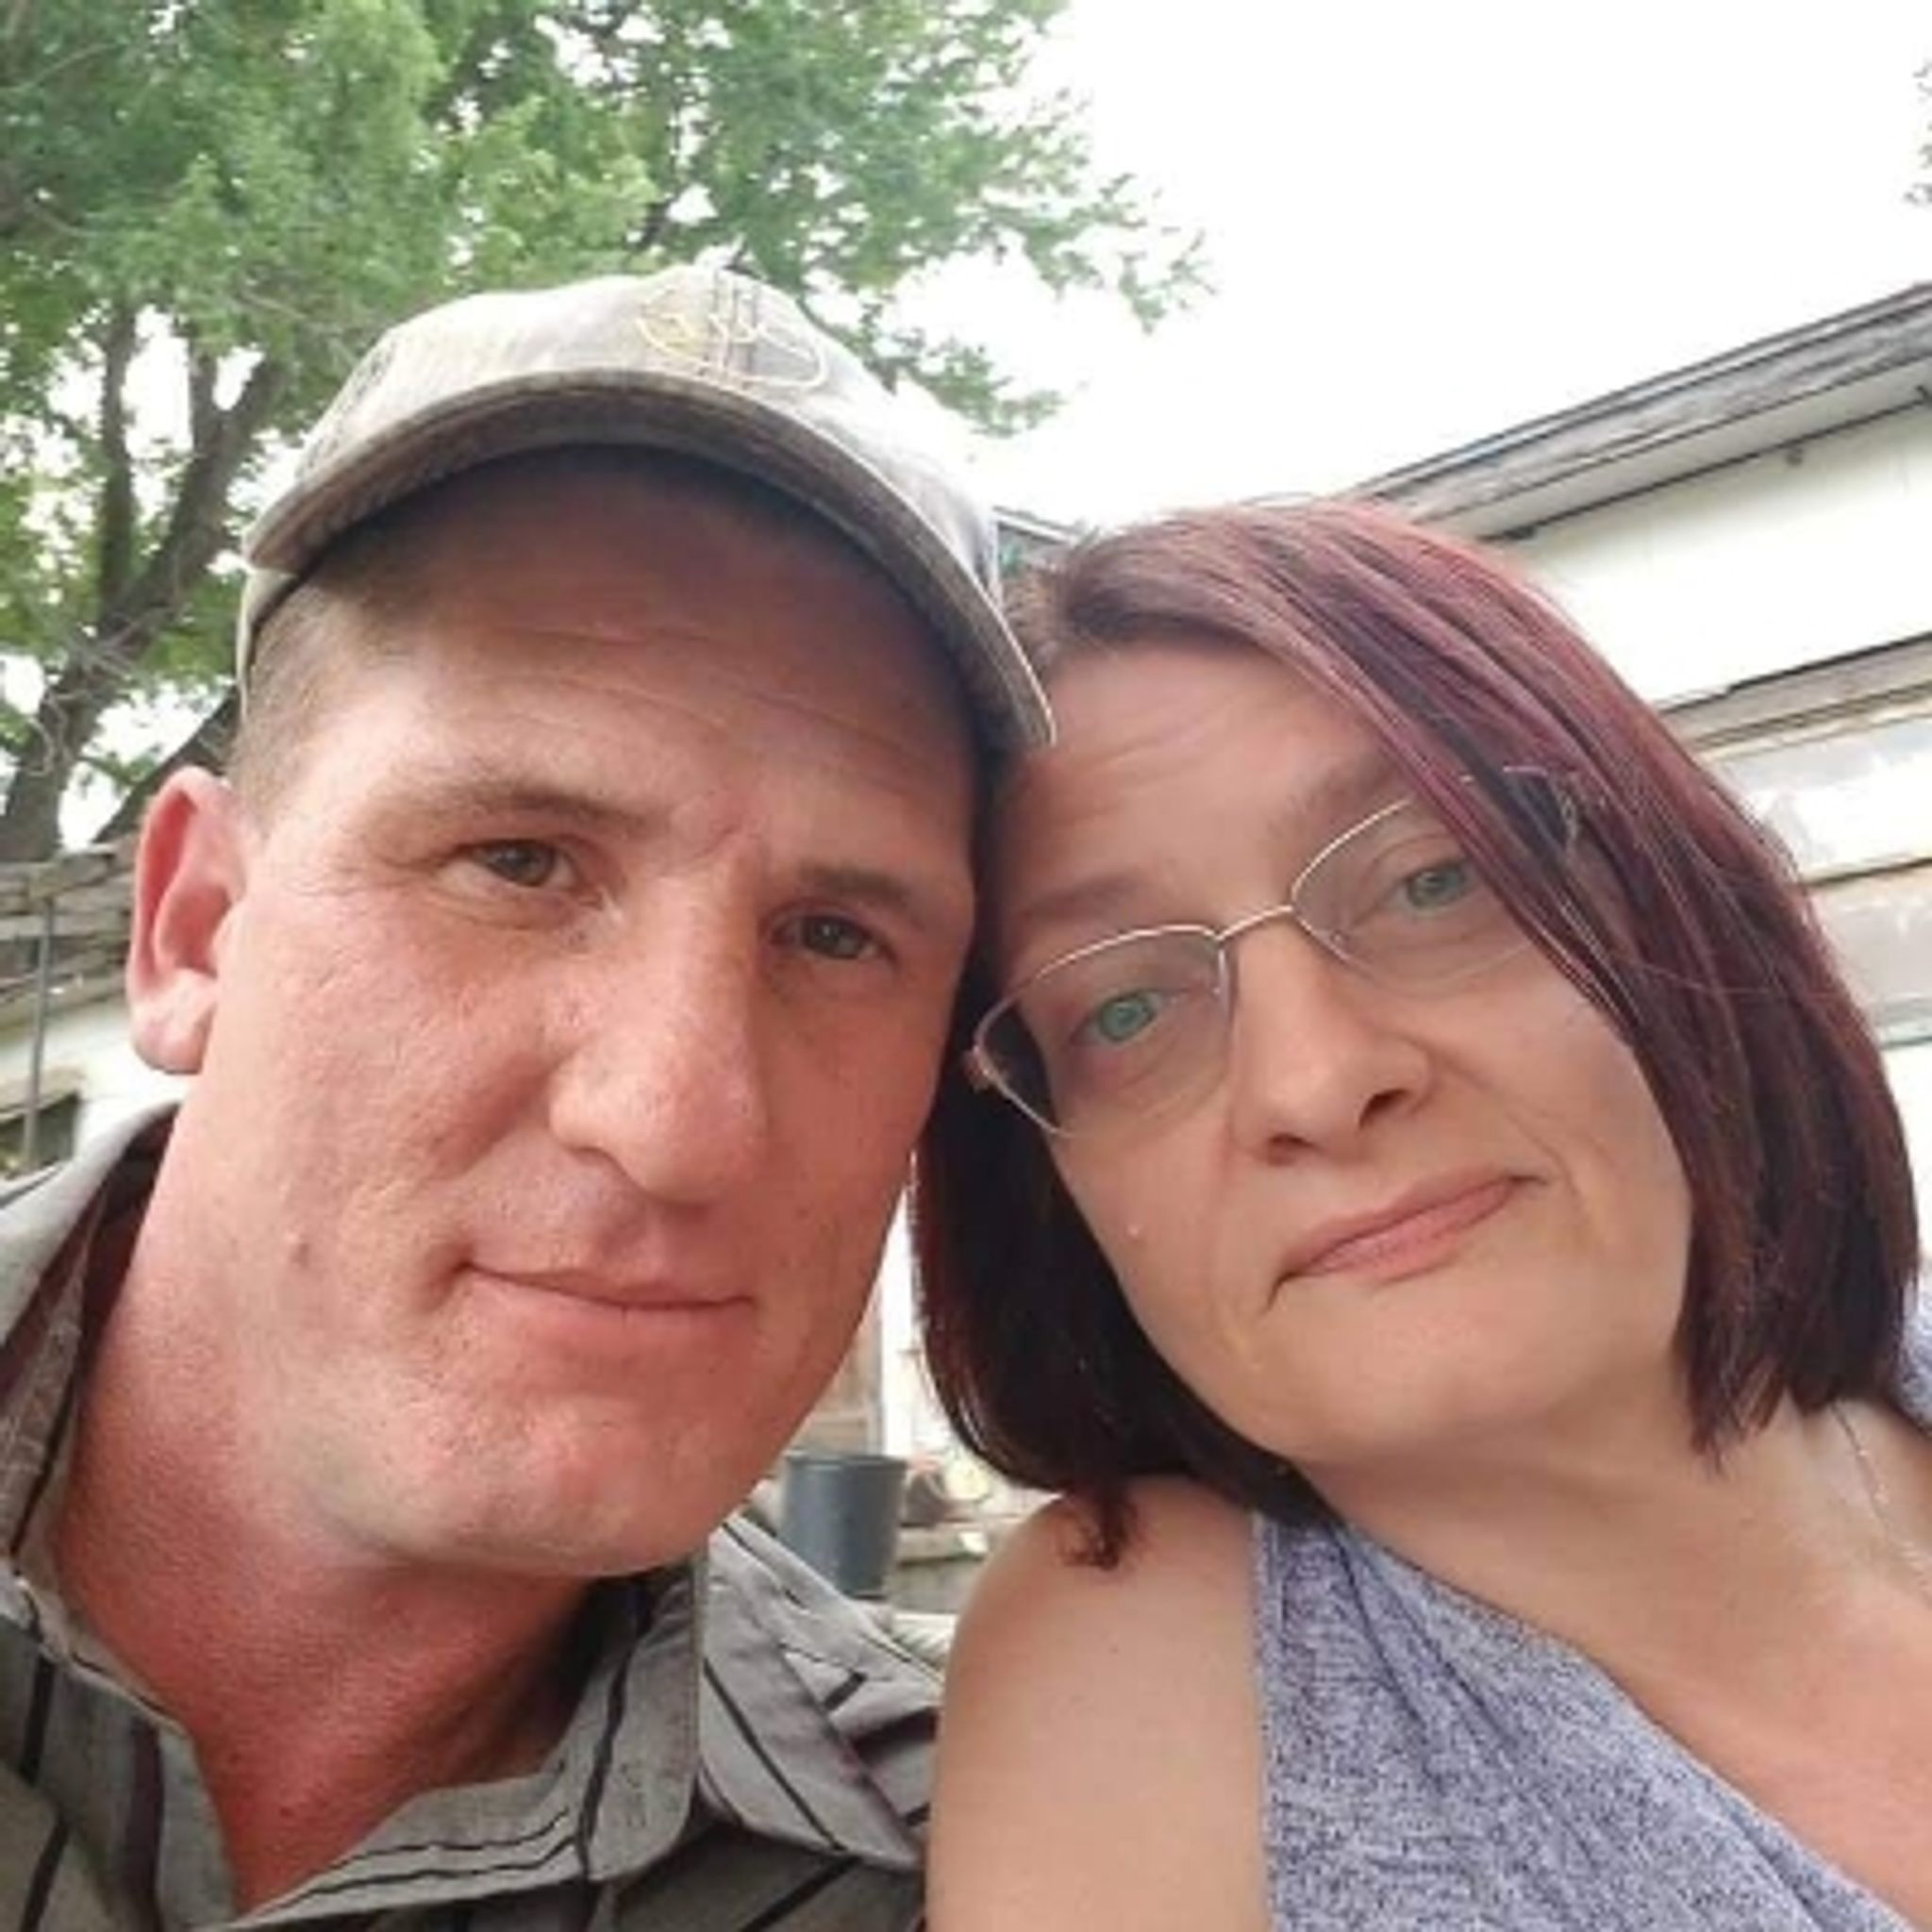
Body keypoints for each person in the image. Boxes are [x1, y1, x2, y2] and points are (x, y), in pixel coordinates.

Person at [0, 265, 1050, 1926]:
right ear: (196, 929)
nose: (678, 1120)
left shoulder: (1000, 1859)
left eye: (835, 937)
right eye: (517, 861)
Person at [915, 500, 1927, 1929]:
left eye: (1431, 881)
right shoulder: (1143, 1659)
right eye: (1125, 1010)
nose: (1317, 1083)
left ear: (1680, 897)